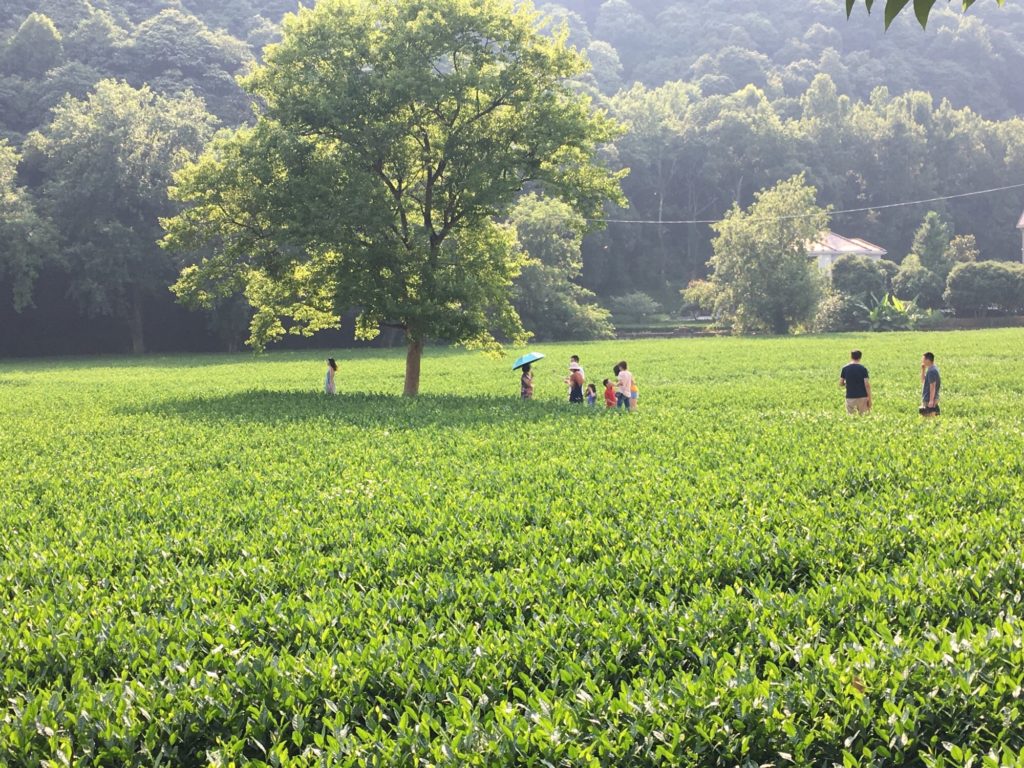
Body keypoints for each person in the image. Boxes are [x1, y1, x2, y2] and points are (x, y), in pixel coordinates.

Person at [839, 350, 871, 414]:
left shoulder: (845, 368)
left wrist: (848, 383)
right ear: (860, 357)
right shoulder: (863, 369)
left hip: (850, 397)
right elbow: (866, 384)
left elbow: (841, 383)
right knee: (863, 418)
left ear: (851, 357)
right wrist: (869, 398)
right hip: (862, 397)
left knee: (851, 419)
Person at [920, 352, 941, 416]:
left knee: (928, 420)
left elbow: (933, 386)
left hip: (929, 399)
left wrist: (931, 400)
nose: (922, 361)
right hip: (929, 398)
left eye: (923, 359)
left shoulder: (932, 371)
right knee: (930, 420)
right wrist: (923, 369)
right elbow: (923, 381)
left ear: (928, 360)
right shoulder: (931, 369)